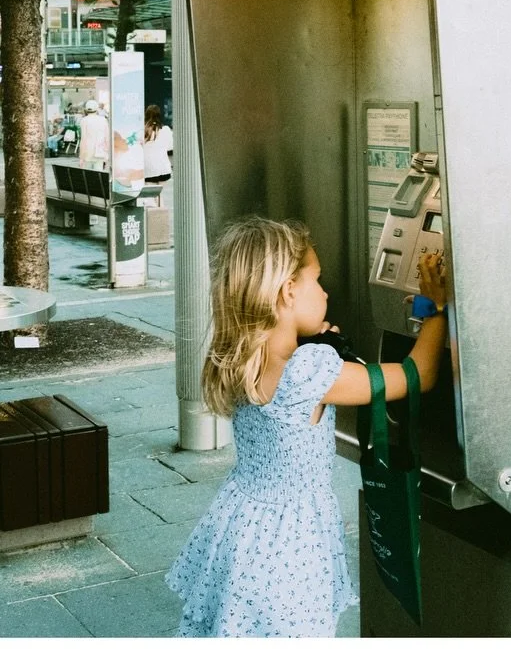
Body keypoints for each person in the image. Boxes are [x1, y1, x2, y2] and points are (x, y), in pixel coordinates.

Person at [165, 216, 450, 636]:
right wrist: (436, 307)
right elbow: (418, 374)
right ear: (288, 291)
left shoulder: (246, 355)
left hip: (243, 529)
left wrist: (320, 348)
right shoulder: (310, 372)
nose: (326, 292)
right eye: (317, 281)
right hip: (290, 551)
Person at [142, 104, 174, 189]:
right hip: (163, 168)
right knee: (159, 196)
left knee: (152, 197)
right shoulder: (166, 130)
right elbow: (170, 147)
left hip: (148, 169)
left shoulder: (143, 130)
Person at [77, 99, 110, 170]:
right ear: (96, 108)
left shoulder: (84, 120)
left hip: (88, 153)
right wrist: (107, 154)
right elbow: (107, 139)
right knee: (98, 176)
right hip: (100, 152)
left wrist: (81, 157)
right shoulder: (103, 120)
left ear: (86, 109)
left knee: (88, 177)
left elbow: (83, 139)